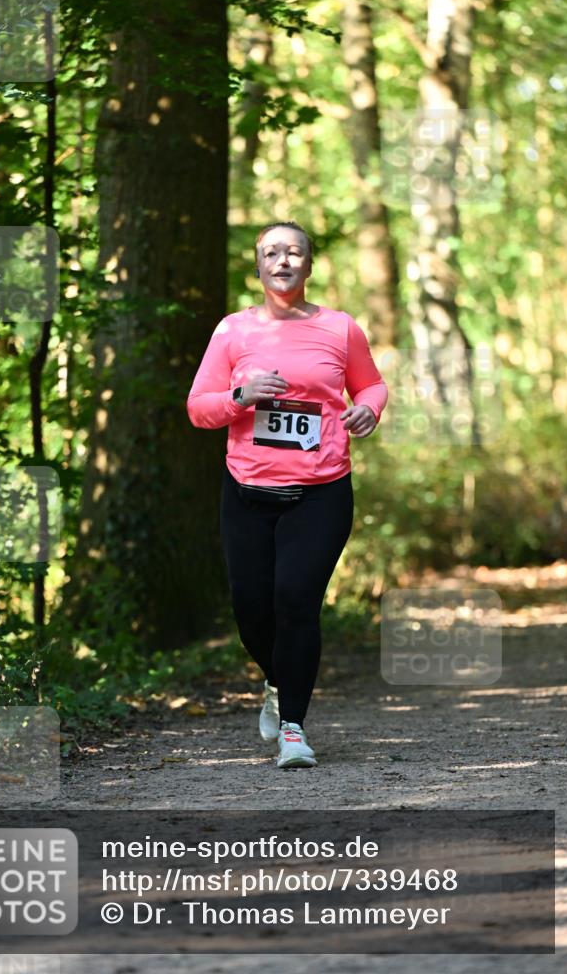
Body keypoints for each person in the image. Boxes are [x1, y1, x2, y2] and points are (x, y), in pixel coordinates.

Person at [186, 222, 388, 768]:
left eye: (294, 252)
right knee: (251, 609)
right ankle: (277, 680)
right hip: (247, 490)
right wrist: (241, 395)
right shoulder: (232, 331)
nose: (283, 260)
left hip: (321, 490)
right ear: (258, 266)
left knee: (296, 599)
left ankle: (293, 730)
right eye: (271, 252)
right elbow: (199, 408)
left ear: (309, 265)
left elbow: (370, 384)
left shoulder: (340, 328)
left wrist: (369, 408)